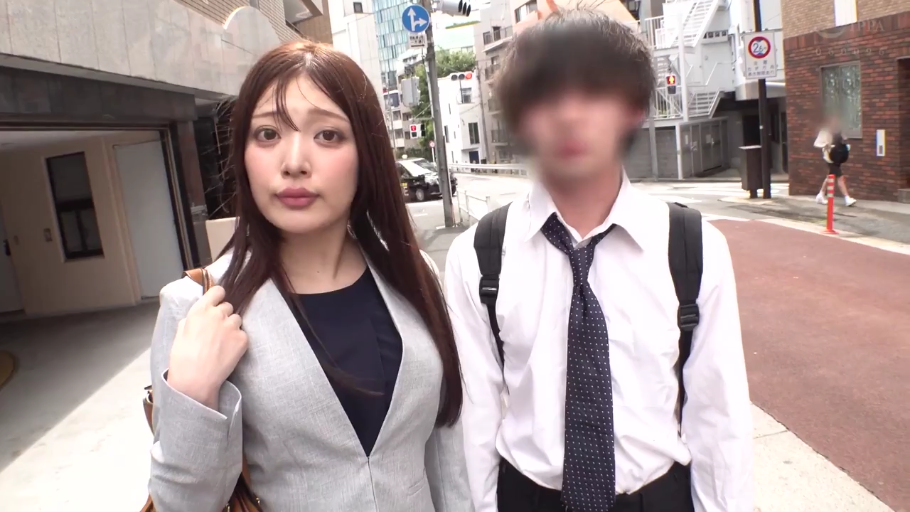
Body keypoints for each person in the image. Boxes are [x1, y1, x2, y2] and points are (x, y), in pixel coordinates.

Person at [444, 10, 753, 512]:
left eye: (594, 90)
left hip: (658, 497)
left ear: (633, 108)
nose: (569, 114)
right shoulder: (478, 255)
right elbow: (474, 421)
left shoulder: (693, 246)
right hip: (527, 498)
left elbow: (719, 415)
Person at [148, 41, 470, 511]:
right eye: (267, 134)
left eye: (328, 135)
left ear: (367, 154)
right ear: (243, 155)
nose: (294, 161)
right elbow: (181, 504)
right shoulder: (198, 306)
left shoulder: (414, 274)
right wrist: (192, 394)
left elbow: (446, 453)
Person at [814, 114, 856, 206]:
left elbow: (843, 140)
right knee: (840, 177)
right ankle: (847, 198)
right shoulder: (824, 131)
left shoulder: (838, 130)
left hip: (837, 156)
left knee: (830, 177)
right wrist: (825, 144)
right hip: (829, 157)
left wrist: (845, 143)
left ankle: (820, 195)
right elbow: (816, 143)